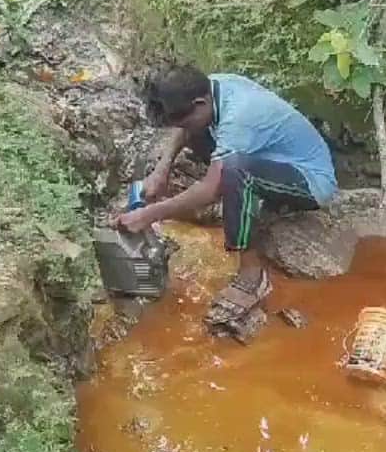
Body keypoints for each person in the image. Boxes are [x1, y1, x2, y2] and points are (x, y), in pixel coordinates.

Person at [112, 65, 338, 306]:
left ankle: (252, 274)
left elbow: (212, 189)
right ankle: (235, 198)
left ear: (200, 102)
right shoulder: (211, 86)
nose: (183, 128)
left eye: (184, 120)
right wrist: (161, 170)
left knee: (236, 171)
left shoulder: (239, 117)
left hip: (309, 180)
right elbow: (183, 129)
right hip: (269, 159)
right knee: (204, 138)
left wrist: (148, 215)